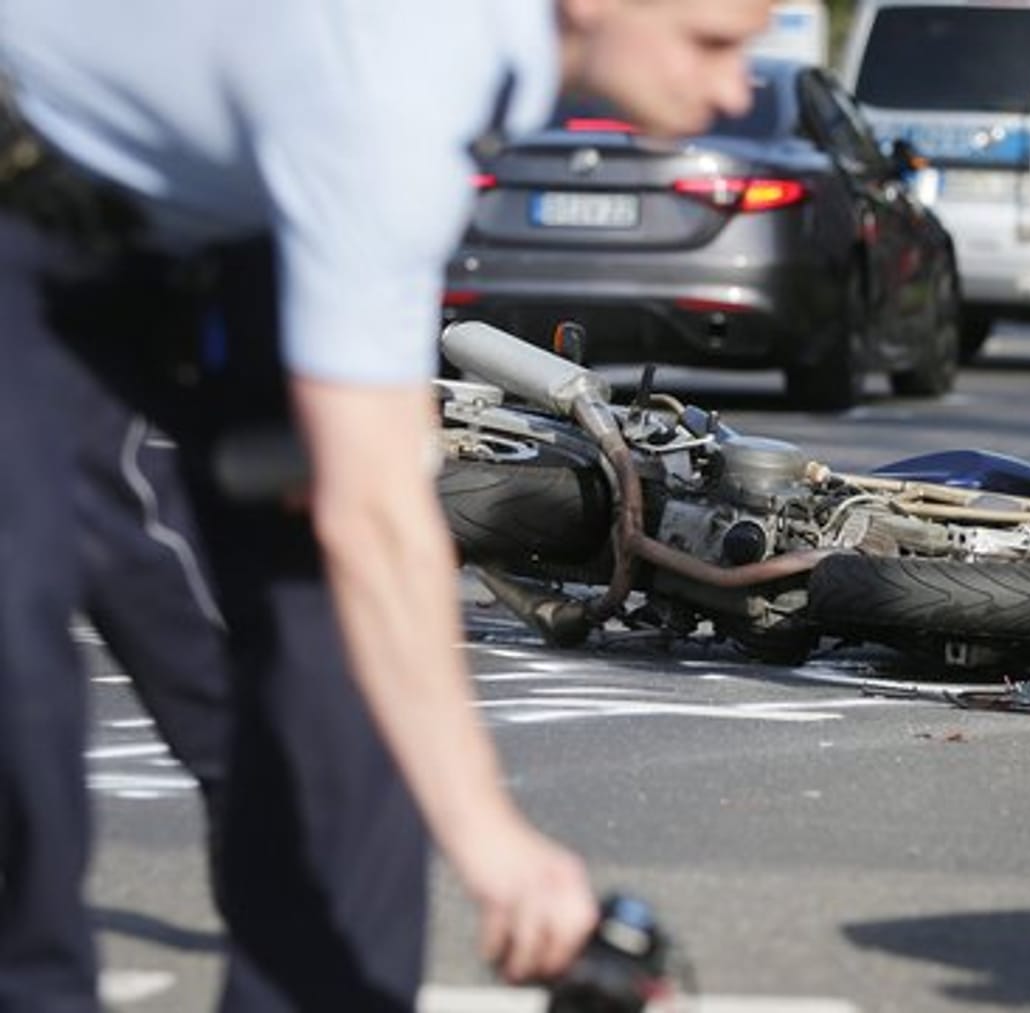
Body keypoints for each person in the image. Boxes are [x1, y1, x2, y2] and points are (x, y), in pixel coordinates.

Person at [0, 1, 773, 1010]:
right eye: (712, 41)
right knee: (17, 644)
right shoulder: (396, 77)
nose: (737, 88)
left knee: (344, 682)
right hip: (27, 187)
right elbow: (373, 514)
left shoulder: (451, 82)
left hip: (209, 229)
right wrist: (493, 843)